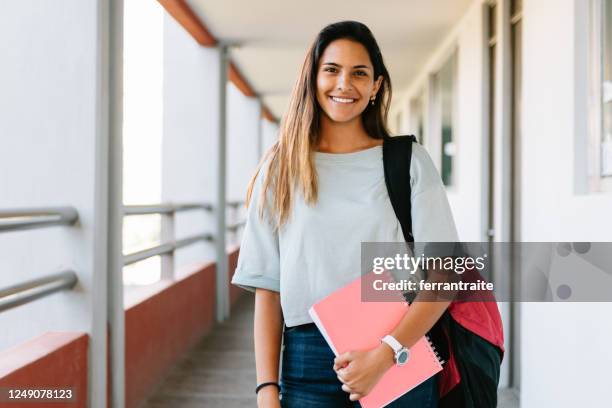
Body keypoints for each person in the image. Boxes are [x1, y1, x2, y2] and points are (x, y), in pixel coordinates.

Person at [231, 21, 461, 408]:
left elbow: (445, 274)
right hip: (307, 362)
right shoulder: (281, 168)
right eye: (332, 70)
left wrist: (387, 353)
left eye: (360, 73)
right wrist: (266, 389)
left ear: (376, 86)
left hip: (397, 350)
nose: (344, 84)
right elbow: (268, 290)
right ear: (313, 78)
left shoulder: (407, 162)